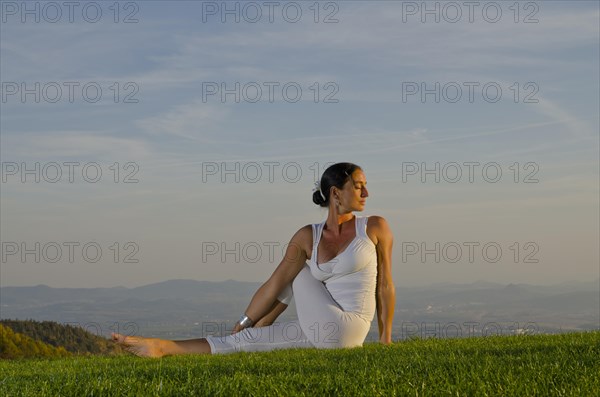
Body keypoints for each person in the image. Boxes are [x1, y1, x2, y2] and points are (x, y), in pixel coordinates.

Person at [112, 162, 395, 357]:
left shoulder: (373, 227)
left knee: (294, 272)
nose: (366, 193)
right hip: (324, 328)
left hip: (349, 327)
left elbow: (385, 286)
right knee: (244, 342)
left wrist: (385, 339)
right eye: (359, 186)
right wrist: (244, 323)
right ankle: (160, 347)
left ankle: (258, 324)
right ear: (336, 193)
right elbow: (274, 286)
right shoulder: (309, 235)